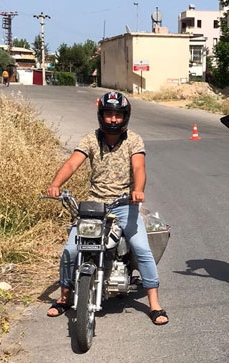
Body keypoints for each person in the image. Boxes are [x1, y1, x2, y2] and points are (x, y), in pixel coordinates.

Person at [45, 91, 169, 325]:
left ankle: (154, 304)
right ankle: (64, 297)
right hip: (94, 204)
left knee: (141, 248)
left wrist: (138, 190)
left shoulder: (134, 140)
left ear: (125, 117)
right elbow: (73, 162)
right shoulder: (90, 139)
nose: (113, 119)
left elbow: (139, 168)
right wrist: (55, 184)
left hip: (125, 203)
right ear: (101, 115)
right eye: (109, 114)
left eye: (118, 115)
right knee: (71, 250)